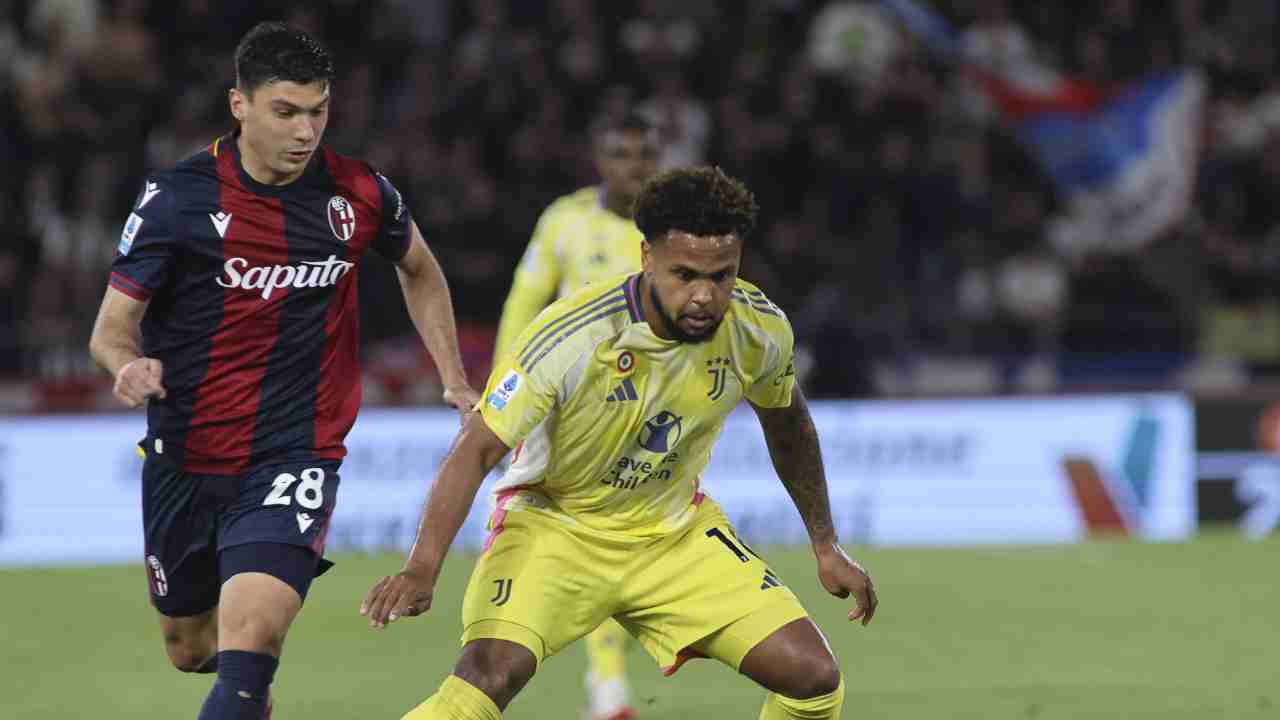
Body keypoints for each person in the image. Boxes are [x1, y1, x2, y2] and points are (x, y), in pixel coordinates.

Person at [362, 166, 878, 720]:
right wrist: (422, 568)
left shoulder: (758, 329)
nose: (704, 296)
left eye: (722, 276)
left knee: (814, 679)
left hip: (674, 534)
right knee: (488, 676)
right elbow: (476, 449)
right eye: (684, 275)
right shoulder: (573, 334)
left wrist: (825, 544)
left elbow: (788, 424)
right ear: (647, 257)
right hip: (555, 527)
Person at [87, 22, 478, 720]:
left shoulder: (357, 192)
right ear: (239, 105)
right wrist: (127, 364)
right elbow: (110, 329)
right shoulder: (179, 199)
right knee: (191, 648)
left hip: (295, 452)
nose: (305, 132)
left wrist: (451, 373)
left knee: (254, 636)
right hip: (186, 455)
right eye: (286, 112)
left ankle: (247, 682)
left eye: (318, 111)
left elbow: (419, 267)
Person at [492, 110, 661, 720]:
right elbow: (523, 302)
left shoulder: (673, 228)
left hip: (655, 410)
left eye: (644, 155)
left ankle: (603, 679)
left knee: (631, 552)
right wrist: (500, 393)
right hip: (571, 410)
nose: (633, 167)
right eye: (621, 154)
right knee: (597, 541)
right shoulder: (564, 220)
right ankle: (608, 688)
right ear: (600, 160)